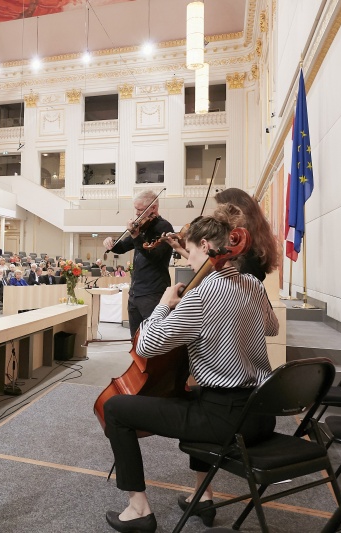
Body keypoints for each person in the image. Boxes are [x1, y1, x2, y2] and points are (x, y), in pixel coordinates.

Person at [101, 207, 278, 533]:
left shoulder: (202, 295)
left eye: (191, 250)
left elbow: (146, 345)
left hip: (225, 420)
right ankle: (203, 496)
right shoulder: (253, 283)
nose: (187, 259)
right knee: (190, 393)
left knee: (114, 408)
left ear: (208, 247)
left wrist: (164, 305)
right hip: (261, 413)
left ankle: (138, 509)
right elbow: (271, 327)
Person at [167, 187, 279, 283]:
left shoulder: (245, 251)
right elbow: (214, 263)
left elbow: (217, 268)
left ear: (233, 210)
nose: (217, 214)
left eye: (220, 208)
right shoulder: (253, 242)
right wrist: (180, 249)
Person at [103, 189, 174, 335]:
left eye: (140, 209)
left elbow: (155, 256)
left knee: (153, 338)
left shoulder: (164, 228)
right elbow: (122, 247)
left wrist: (136, 236)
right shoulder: (141, 228)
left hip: (153, 293)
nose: (136, 213)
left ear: (153, 208)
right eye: (135, 209)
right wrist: (111, 243)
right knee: (135, 338)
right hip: (135, 293)